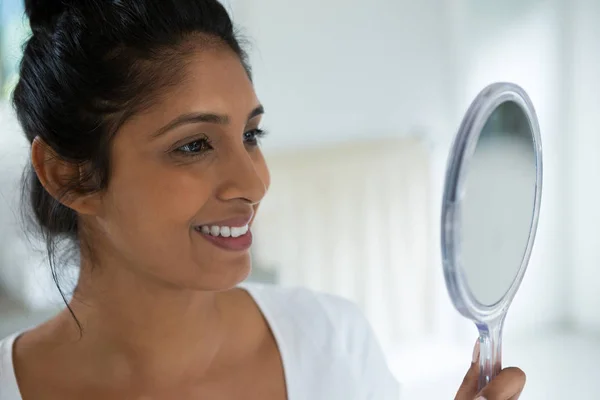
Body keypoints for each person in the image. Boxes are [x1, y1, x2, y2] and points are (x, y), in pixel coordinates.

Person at [0, 1, 526, 399]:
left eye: (251, 135)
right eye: (194, 145)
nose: (252, 183)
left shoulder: (331, 342)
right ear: (68, 175)